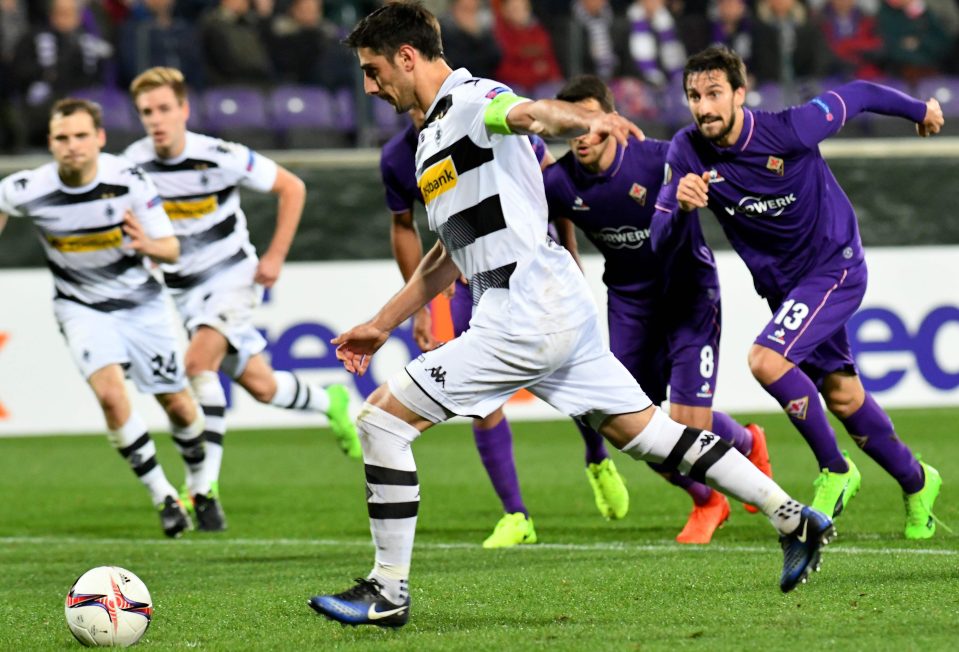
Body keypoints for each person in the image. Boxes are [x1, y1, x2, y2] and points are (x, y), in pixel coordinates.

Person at [308, 2, 834, 628]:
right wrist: (381, 321)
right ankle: (795, 519)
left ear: (406, 57)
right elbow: (450, 251)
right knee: (647, 434)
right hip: (553, 304)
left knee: (380, 425)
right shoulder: (432, 137)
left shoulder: (476, 101)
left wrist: (588, 116)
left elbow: (533, 113)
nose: (370, 86)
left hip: (523, 313)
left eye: (372, 69)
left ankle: (387, 591)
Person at [655, 44, 944, 540]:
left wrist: (921, 110)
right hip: (786, 291)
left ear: (740, 95)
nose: (704, 107)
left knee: (766, 360)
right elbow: (658, 237)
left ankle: (835, 469)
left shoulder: (789, 129)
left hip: (835, 266)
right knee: (844, 397)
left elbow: (856, 94)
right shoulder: (686, 150)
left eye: (715, 94)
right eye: (694, 96)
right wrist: (679, 207)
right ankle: (918, 482)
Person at [123, 67, 362, 530]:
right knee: (262, 385)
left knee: (196, 367)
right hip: (183, 291)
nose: (156, 120)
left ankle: (203, 490)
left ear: (184, 110)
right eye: (146, 112)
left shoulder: (217, 155)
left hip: (233, 276)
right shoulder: (132, 164)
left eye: (164, 109)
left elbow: (293, 186)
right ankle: (327, 399)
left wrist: (274, 256)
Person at [380, 106, 629, 548]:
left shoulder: (481, 120)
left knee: (570, 375)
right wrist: (419, 307)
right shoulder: (400, 156)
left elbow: (551, 188)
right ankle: (516, 514)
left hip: (531, 271)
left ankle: (595, 454)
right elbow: (404, 226)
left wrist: (569, 251)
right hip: (468, 280)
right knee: (480, 399)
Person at [543, 74, 772, 545]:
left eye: (592, 122)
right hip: (629, 304)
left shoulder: (658, 158)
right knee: (627, 426)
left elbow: (727, 167)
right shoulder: (558, 184)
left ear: (610, 121)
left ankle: (747, 444)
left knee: (690, 427)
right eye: (573, 125)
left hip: (688, 294)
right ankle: (707, 498)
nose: (582, 136)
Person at [0, 98, 208, 538]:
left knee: (177, 404)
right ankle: (164, 497)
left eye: (80, 136)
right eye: (61, 138)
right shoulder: (26, 188)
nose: (71, 146)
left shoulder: (129, 181)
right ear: (50, 143)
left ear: (99, 139)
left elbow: (170, 248)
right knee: (112, 397)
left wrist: (148, 245)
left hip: (142, 305)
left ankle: (200, 485)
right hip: (80, 307)